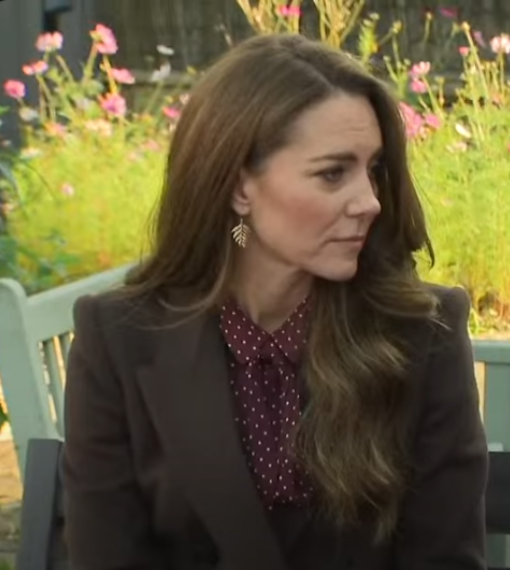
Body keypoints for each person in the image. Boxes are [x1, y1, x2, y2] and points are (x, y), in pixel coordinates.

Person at [63, 34, 487, 570]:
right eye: (333, 173)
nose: (369, 202)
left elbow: (445, 558)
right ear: (240, 186)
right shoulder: (120, 339)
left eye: (373, 169)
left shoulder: (423, 332)